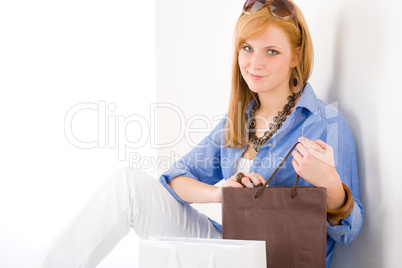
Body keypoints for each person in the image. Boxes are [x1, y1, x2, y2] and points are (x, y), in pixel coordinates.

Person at [31, 0, 364, 267]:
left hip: (276, 259)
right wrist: (223, 194)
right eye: (247, 48)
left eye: (272, 51)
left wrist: (333, 188)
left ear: (297, 57)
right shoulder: (236, 122)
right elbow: (175, 179)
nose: (254, 63)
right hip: (229, 246)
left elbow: (350, 232)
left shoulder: (324, 123)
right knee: (128, 185)